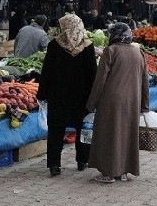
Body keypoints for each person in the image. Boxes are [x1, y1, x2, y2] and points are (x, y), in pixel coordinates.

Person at [85, 23, 150, 183]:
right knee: (127, 135)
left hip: (111, 100)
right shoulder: (138, 52)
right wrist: (145, 105)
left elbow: (100, 81)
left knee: (109, 134)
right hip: (132, 100)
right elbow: (145, 81)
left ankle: (108, 173)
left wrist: (91, 104)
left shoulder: (110, 51)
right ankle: (123, 172)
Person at [37, 14, 97, 177]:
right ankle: (82, 160)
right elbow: (93, 74)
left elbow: (46, 72)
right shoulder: (87, 46)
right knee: (82, 128)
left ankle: (54, 165)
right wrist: (94, 98)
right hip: (81, 96)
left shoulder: (55, 45)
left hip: (59, 96)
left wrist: (42, 94)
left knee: (56, 130)